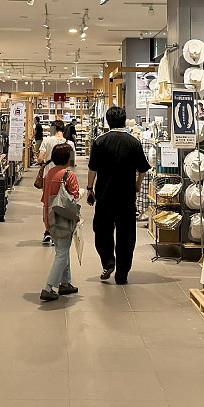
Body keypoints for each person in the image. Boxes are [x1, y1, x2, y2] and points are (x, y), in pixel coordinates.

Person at [87, 105, 150, 284]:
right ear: (124, 121)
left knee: (102, 230)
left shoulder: (100, 141)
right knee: (126, 236)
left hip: (104, 196)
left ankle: (108, 261)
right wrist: (137, 185)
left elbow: (93, 168)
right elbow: (143, 169)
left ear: (108, 121)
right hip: (126, 197)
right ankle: (122, 273)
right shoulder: (133, 142)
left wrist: (90, 189)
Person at [40, 142, 80, 302]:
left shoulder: (49, 173)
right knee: (62, 253)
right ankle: (48, 287)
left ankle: (65, 283)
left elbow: (45, 197)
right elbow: (74, 197)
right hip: (63, 218)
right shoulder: (68, 175)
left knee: (62, 249)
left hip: (50, 216)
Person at [35, 121, 66, 245]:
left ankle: (48, 231)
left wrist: (42, 162)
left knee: (48, 203)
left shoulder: (47, 140)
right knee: (61, 202)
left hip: (48, 176)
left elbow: (40, 158)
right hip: (63, 176)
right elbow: (72, 162)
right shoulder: (68, 143)